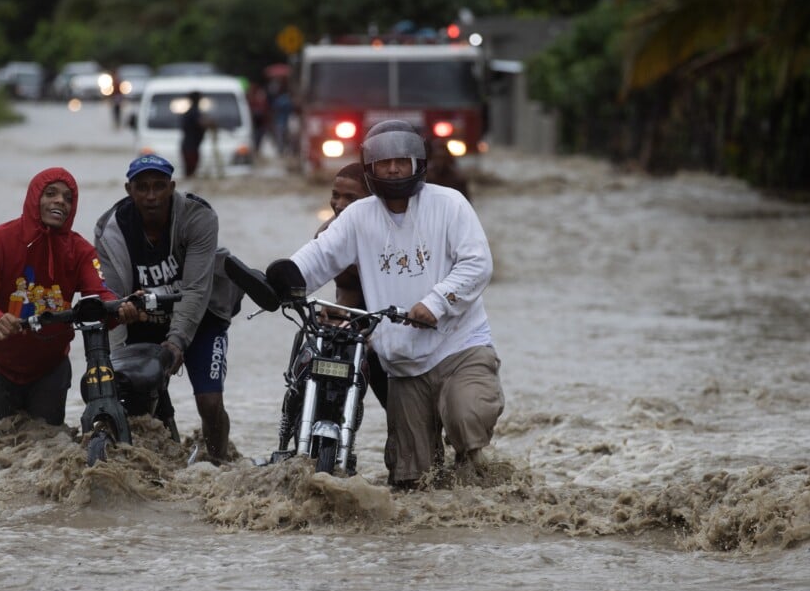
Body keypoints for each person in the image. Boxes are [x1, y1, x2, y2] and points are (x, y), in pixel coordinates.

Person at [285, 120, 504, 487]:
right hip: (402, 363)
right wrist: (282, 279)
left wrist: (436, 302)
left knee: (467, 418)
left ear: (418, 163)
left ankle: (474, 480)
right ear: (370, 168)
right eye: (384, 162)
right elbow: (319, 257)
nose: (393, 169)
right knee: (410, 481)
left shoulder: (449, 204)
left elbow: (478, 263)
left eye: (401, 160)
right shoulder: (358, 216)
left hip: (458, 346)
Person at [0, 167, 144, 427]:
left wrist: (122, 308)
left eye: (68, 198)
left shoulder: (81, 251)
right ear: (34, 198)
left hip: (50, 369)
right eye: (51, 194)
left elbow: (100, 296)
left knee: (47, 449)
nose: (60, 201)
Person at [94, 154, 242, 464]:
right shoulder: (110, 230)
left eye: (159, 187)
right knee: (133, 399)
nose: (151, 196)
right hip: (143, 319)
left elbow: (196, 289)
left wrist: (177, 342)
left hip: (201, 315)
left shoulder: (198, 217)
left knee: (210, 401)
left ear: (171, 187)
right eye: (142, 188)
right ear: (128, 190)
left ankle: (219, 465)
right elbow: (112, 298)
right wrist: (116, 363)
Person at [314, 162, 388, 409]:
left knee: (397, 406)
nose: (340, 204)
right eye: (335, 195)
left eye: (351, 198)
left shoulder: (390, 235)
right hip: (357, 321)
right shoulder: (327, 234)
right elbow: (348, 287)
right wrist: (338, 308)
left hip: (392, 320)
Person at [179, 91, 210, 178]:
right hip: (190, 147)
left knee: (190, 172)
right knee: (191, 173)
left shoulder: (192, 111)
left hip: (191, 146)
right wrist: (211, 124)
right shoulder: (193, 112)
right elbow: (202, 123)